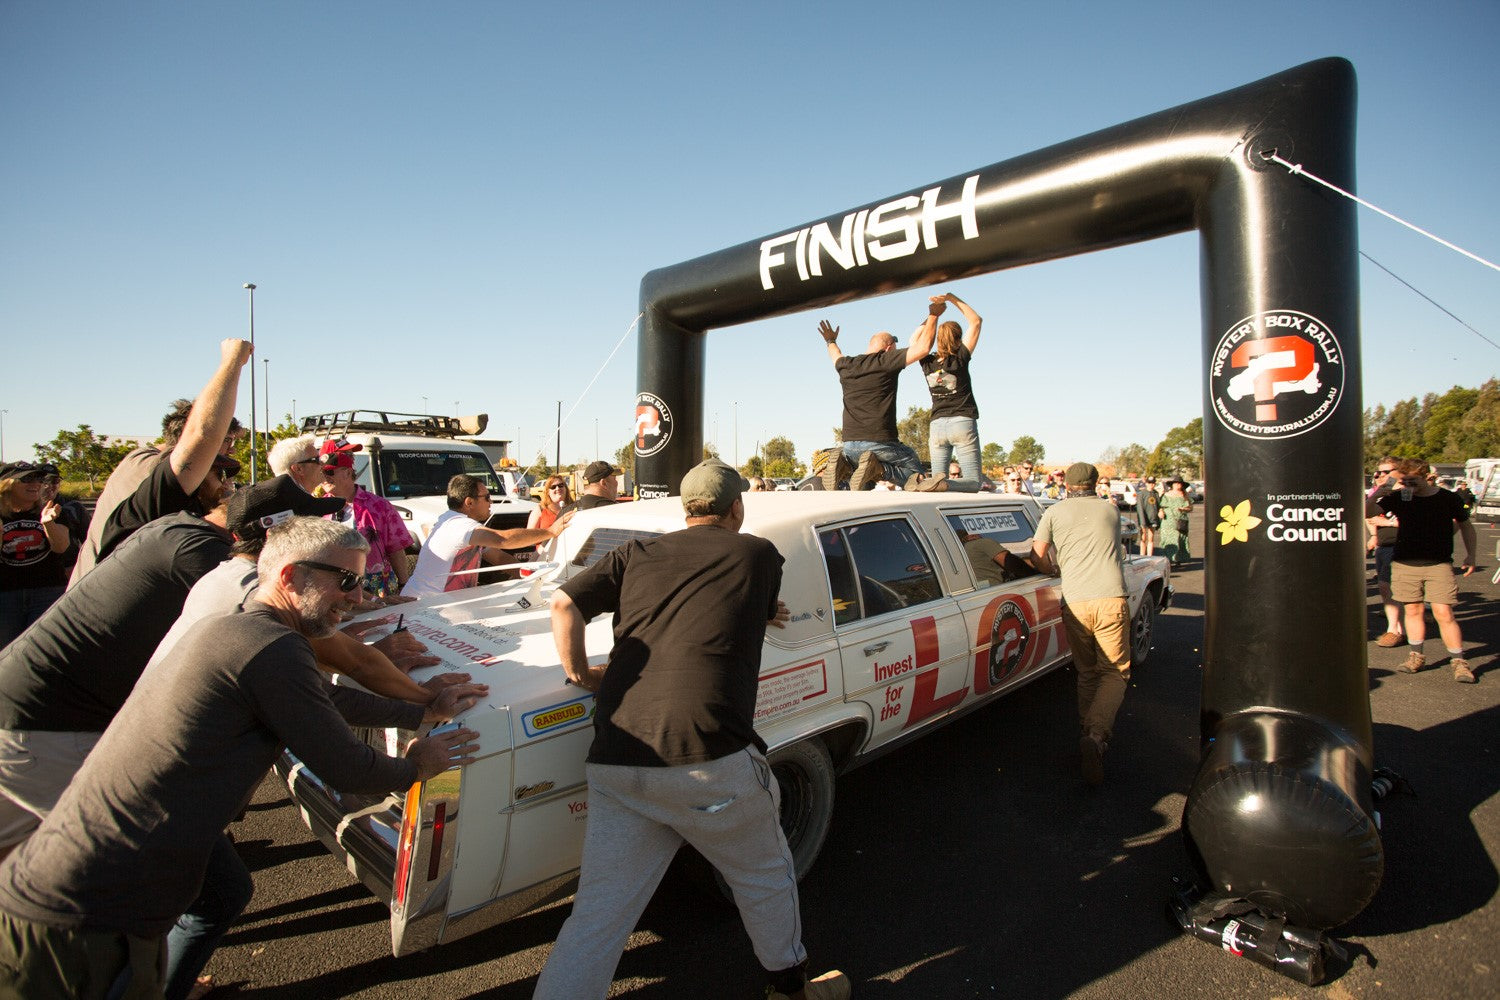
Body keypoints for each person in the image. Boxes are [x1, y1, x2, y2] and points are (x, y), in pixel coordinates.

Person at [0, 518, 482, 999]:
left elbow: (322, 701)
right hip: (89, 921)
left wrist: (419, 712)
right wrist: (419, 765)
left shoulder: (244, 629)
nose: (358, 597)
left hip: (75, 897)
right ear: (291, 576)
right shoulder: (271, 646)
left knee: (224, 896)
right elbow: (347, 767)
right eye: (348, 582)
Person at [535, 459, 847, 1000]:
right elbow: (730, 600)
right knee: (765, 878)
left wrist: (579, 673)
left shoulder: (635, 553)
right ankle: (791, 989)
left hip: (617, 757)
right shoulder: (756, 553)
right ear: (735, 508)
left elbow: (563, 603)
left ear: (685, 508)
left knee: (599, 916)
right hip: (711, 762)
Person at [0, 466, 241, 862]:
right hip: (52, 727)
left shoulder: (170, 531)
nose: (224, 481)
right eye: (219, 474)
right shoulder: (200, 553)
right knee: (194, 879)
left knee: (16, 851)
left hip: (30, 705)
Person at [69, 345, 251, 587]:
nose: (231, 450)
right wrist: (233, 361)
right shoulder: (153, 467)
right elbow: (202, 435)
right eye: (226, 440)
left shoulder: (139, 459)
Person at [1031, 463, 1132, 786]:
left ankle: (1086, 730)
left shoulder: (1054, 513)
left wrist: (1051, 570)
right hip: (1110, 599)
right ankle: (1098, 734)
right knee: (1114, 671)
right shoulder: (1110, 510)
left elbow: (1038, 553)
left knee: (1087, 672)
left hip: (1074, 601)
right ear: (1095, 482)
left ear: (1067, 485)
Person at [818, 298, 942, 492]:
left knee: (861, 465)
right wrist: (934, 315)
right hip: (880, 443)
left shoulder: (847, 365)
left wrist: (830, 340)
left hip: (849, 445)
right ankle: (882, 469)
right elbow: (923, 348)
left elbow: (835, 355)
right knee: (912, 464)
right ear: (889, 347)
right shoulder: (886, 360)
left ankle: (844, 466)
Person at [1376, 457, 1479, 681]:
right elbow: (1365, 511)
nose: (1409, 486)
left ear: (1425, 477)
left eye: (1413, 481)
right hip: (1405, 563)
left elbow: (1466, 526)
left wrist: (1471, 555)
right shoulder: (1400, 497)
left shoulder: (1447, 498)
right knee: (1412, 610)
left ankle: (1458, 661)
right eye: (1405, 481)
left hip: (1438, 564)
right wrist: (1383, 489)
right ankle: (1416, 655)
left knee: (1443, 612)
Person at [403, 474, 572, 597]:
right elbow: (502, 539)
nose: (491, 502)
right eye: (487, 497)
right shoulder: (457, 524)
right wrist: (550, 531)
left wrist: (534, 577)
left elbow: (498, 558)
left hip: (436, 604)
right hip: (423, 604)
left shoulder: (458, 525)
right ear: (469, 502)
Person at [316, 439, 415, 599]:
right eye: (321, 473)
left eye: (330, 472)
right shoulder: (318, 508)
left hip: (376, 587)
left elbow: (396, 548)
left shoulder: (379, 506)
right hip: (336, 590)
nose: (325, 478)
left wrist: (404, 584)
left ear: (348, 472)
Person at [0, 463, 75, 648]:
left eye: (38, 479)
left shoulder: (54, 511)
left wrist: (48, 524)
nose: (35, 484)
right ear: (7, 484)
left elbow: (61, 547)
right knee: (7, 652)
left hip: (47, 591)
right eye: (26, 479)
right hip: (6, 595)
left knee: (42, 649)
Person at [919, 292, 984, 484]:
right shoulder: (960, 357)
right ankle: (936, 483)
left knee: (937, 483)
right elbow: (976, 321)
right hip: (962, 421)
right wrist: (951, 298)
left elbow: (915, 338)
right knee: (973, 482)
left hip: (937, 425)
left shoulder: (926, 361)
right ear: (958, 339)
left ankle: (933, 482)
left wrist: (933, 315)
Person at [1364, 457, 1405, 646]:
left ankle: (1396, 630)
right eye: (1378, 472)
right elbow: (1366, 514)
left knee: (1395, 589)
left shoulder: (1408, 493)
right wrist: (1373, 535)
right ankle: (1393, 628)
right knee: (1384, 587)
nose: (1380, 476)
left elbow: (1419, 521)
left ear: (1400, 471)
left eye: (1386, 472)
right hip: (1383, 546)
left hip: (1402, 546)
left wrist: (1388, 523)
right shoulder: (1383, 495)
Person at [1158, 479, 1193, 566]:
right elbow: (1160, 506)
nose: (1177, 485)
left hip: (1181, 521)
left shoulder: (1185, 495)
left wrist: (1184, 509)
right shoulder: (1166, 495)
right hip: (1168, 521)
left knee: (1180, 539)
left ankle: (1178, 558)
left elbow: (1190, 508)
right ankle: (1168, 559)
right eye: (1176, 483)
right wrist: (1160, 511)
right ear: (1172, 485)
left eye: (1179, 483)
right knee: (1168, 539)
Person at [1135, 477, 1160, 556]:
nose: (1151, 485)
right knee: (1143, 538)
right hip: (1144, 518)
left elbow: (1158, 506)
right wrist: (1142, 522)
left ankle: (1150, 555)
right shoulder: (1141, 494)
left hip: (1153, 518)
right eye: (1149, 483)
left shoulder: (1156, 493)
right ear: (1146, 483)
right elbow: (1140, 508)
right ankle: (1142, 555)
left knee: (1151, 538)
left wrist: (1158, 518)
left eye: (1153, 483)